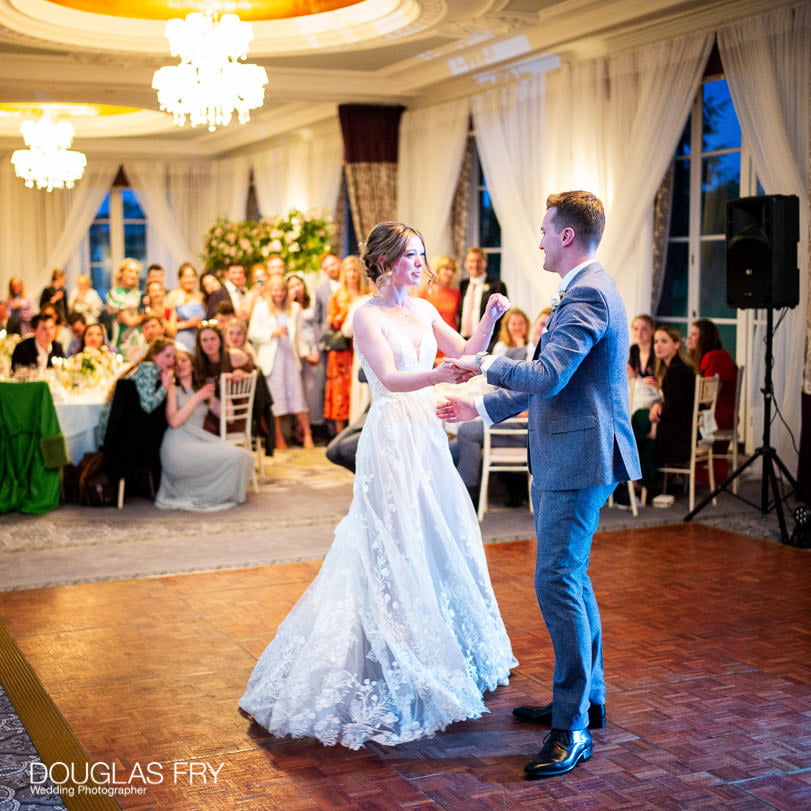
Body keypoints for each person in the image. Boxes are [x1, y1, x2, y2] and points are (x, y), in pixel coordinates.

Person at [239, 221, 517, 750]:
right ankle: (383, 644)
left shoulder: (424, 309)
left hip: (426, 433)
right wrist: (440, 375)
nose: (420, 263)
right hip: (390, 431)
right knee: (391, 537)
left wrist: (488, 320)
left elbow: (466, 350)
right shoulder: (364, 316)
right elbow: (389, 379)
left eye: (421, 255)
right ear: (387, 261)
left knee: (434, 531)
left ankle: (433, 646)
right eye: (412, 255)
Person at [438, 191, 641, 779]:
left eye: (546, 230)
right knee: (570, 577)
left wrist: (481, 364)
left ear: (568, 236)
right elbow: (548, 383)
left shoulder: (588, 294)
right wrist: (478, 408)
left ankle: (572, 726)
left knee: (555, 578)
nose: (540, 238)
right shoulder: (584, 289)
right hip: (573, 454)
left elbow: (548, 375)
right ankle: (586, 699)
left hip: (580, 459)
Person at [155, 349, 254, 511]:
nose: (180, 364)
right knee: (234, 456)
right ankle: (206, 494)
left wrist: (225, 391)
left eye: (184, 360)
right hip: (177, 445)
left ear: (193, 365)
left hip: (198, 441)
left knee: (242, 456)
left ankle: (221, 494)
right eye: (176, 362)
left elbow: (229, 416)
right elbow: (174, 421)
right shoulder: (174, 389)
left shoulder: (202, 390)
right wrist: (197, 398)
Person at [248, 277, 314, 449]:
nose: (279, 293)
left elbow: (299, 336)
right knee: (276, 399)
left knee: (297, 396)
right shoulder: (261, 308)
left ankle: (308, 435)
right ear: (270, 291)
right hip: (272, 359)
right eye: (275, 290)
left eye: (282, 290)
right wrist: (272, 333)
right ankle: (278, 438)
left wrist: (307, 354)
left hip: (290, 358)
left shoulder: (294, 308)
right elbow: (252, 333)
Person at [323, 255, 368, 432]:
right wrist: (348, 316)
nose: (352, 274)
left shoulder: (366, 294)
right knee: (340, 391)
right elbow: (331, 321)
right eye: (349, 270)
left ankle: (358, 427)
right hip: (342, 350)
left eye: (355, 270)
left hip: (359, 349)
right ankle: (341, 431)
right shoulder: (337, 296)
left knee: (359, 390)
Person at [286, 273, 322, 431]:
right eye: (292, 286)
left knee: (313, 388)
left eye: (298, 285)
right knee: (299, 390)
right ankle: (299, 429)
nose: (296, 289)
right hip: (296, 349)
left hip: (313, 345)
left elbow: (317, 324)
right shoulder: (288, 307)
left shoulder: (312, 301)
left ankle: (315, 425)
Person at [457, 247, 508, 345]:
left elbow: (502, 318)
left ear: (485, 263)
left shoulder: (497, 286)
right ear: (466, 264)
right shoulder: (462, 285)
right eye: (471, 261)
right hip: (462, 341)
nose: (475, 265)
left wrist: (493, 344)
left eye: (479, 261)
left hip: (486, 341)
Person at [106, 257, 143, 358]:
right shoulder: (114, 294)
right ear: (121, 272)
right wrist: (145, 315)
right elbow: (129, 321)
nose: (133, 275)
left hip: (140, 343)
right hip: (121, 343)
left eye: (136, 272)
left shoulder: (139, 294)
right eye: (130, 271)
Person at [166, 263, 205, 352]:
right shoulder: (173, 296)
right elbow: (166, 325)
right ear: (180, 278)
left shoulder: (200, 296)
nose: (190, 280)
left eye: (192, 276)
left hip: (200, 338)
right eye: (186, 276)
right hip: (182, 339)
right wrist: (187, 324)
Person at [627, 313, 656, 380]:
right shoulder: (634, 349)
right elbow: (631, 376)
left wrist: (637, 379)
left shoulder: (657, 350)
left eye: (644, 329)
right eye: (636, 329)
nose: (639, 333)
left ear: (652, 331)